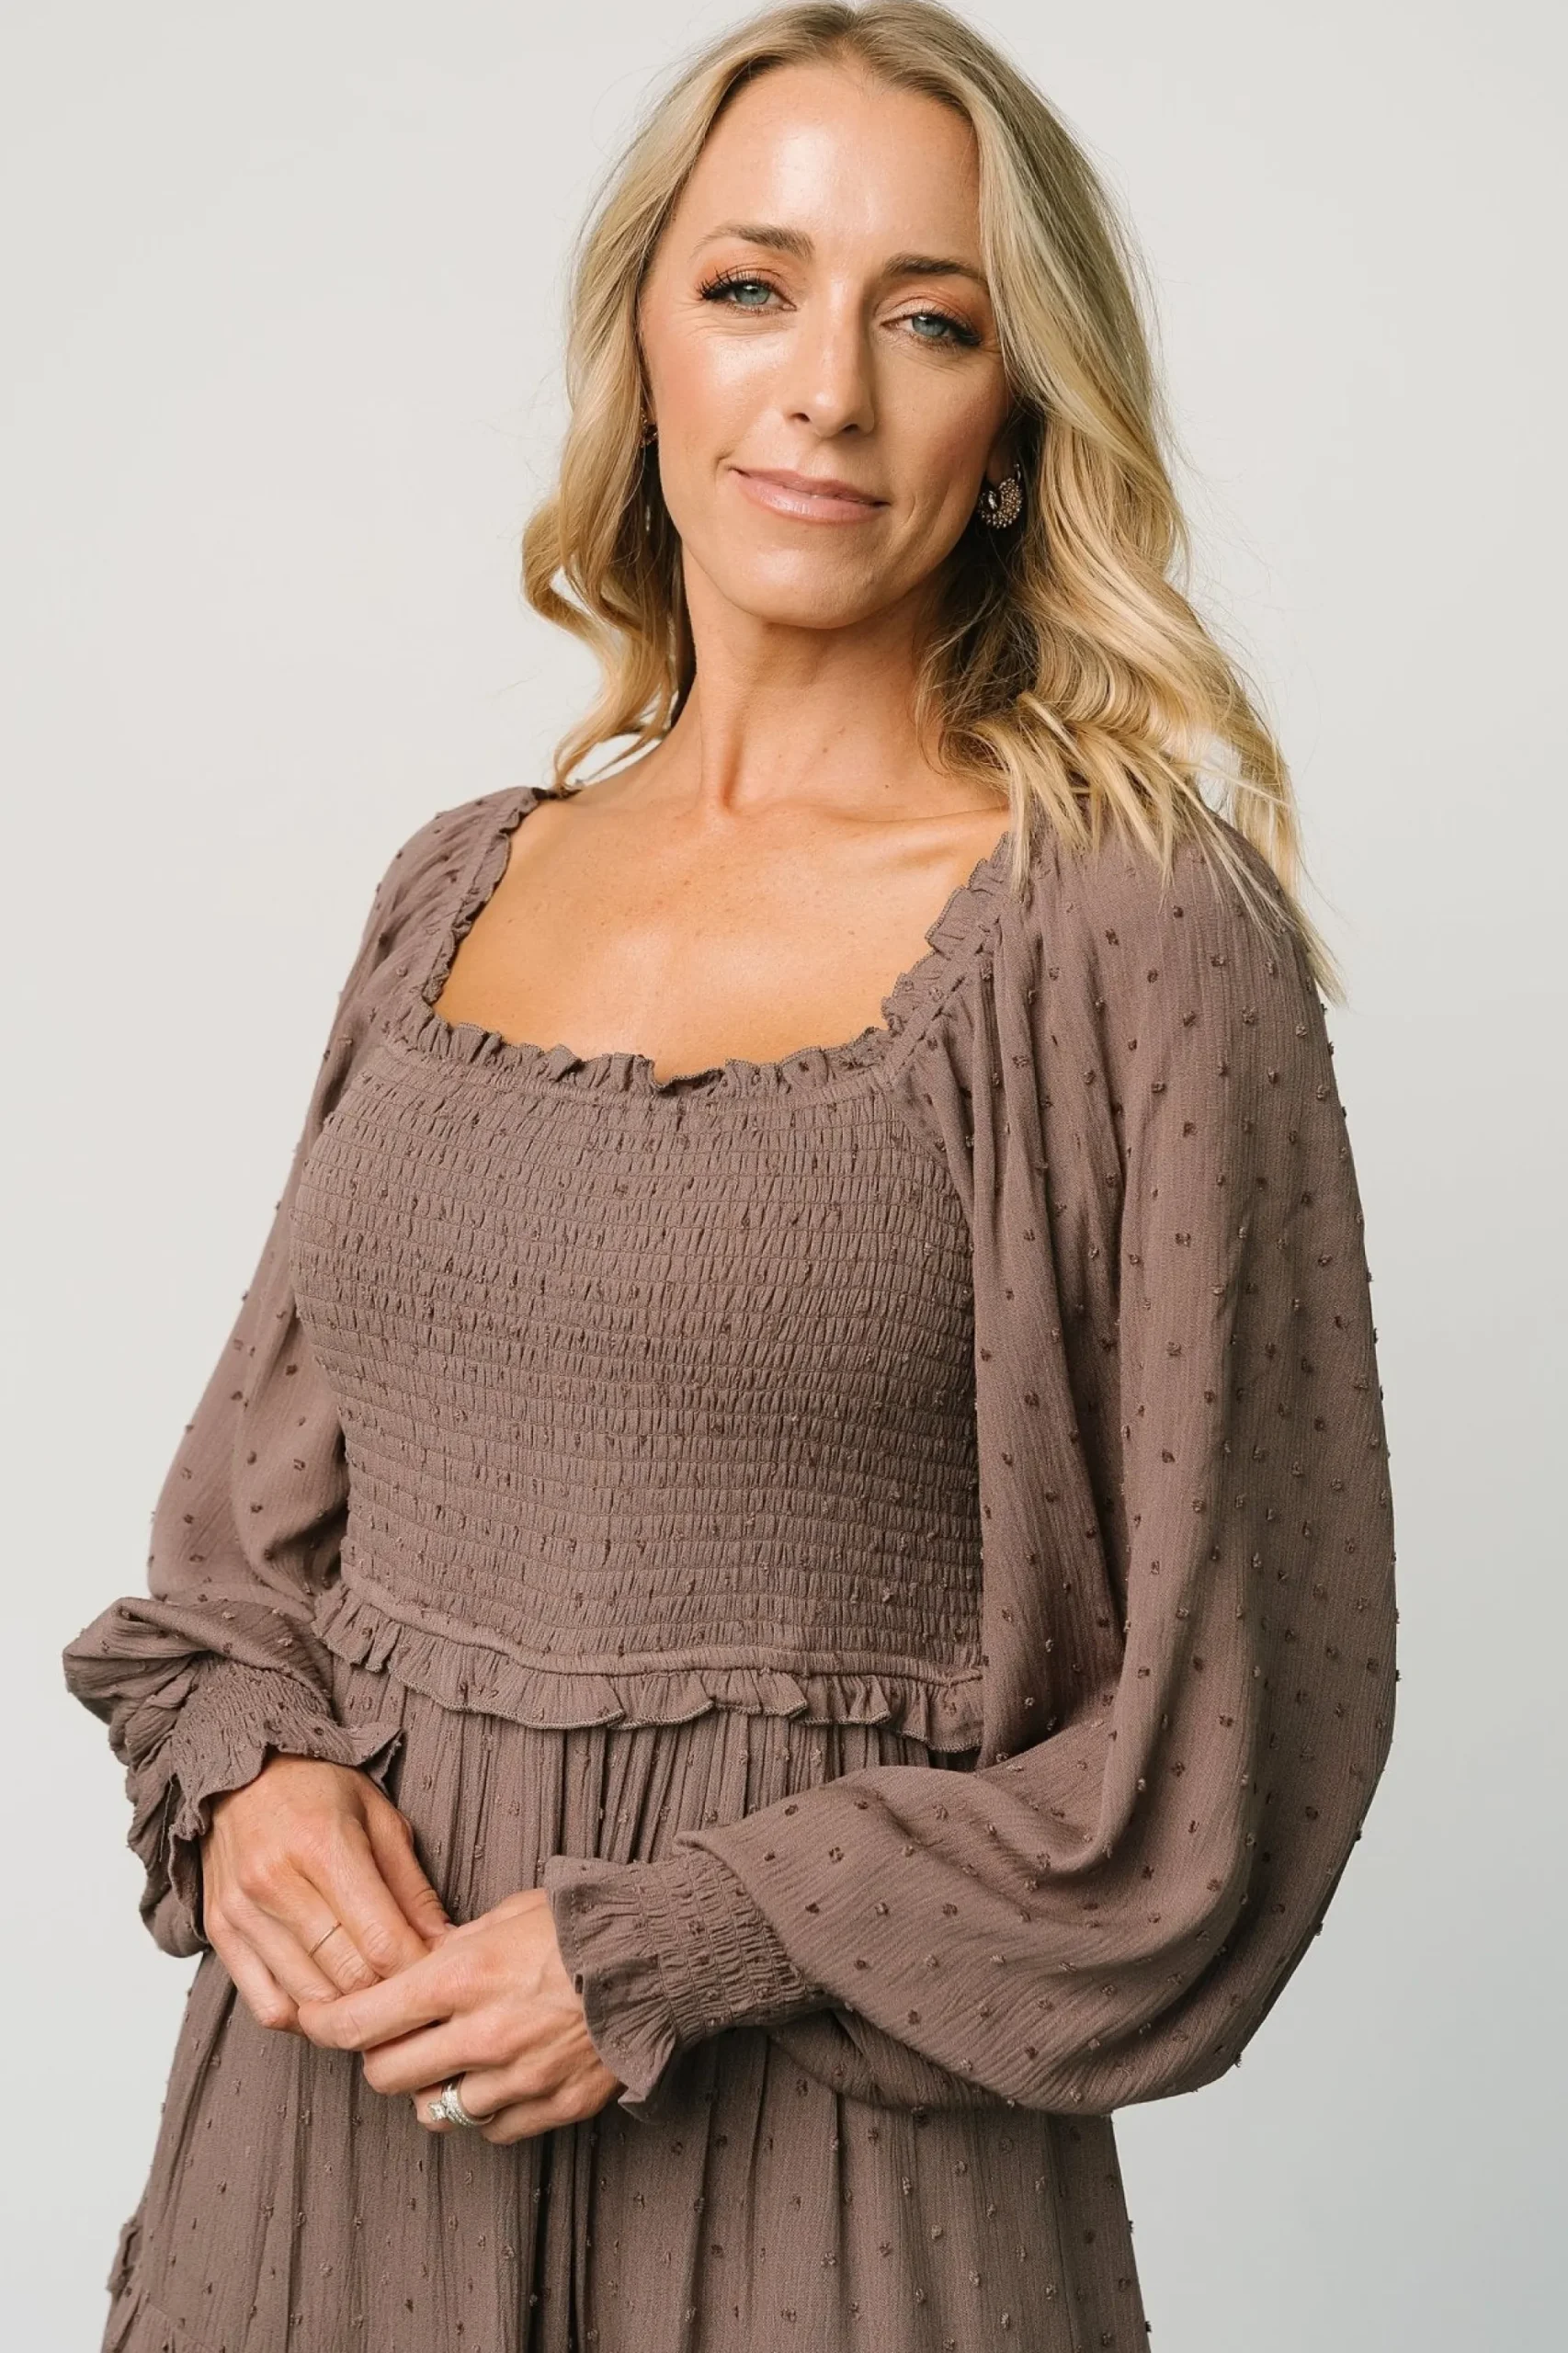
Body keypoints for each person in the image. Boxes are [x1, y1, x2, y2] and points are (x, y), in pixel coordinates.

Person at [62, 6, 1399, 2348]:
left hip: (822, 2194)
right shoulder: (455, 884)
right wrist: (255, 1777)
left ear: (1019, 423)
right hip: (331, 2145)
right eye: (752, 286)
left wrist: (693, 1936)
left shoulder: (1122, 933)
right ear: (647, 346)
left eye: (932, 320)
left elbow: (1227, 1745)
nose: (826, 393)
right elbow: (243, 1543)